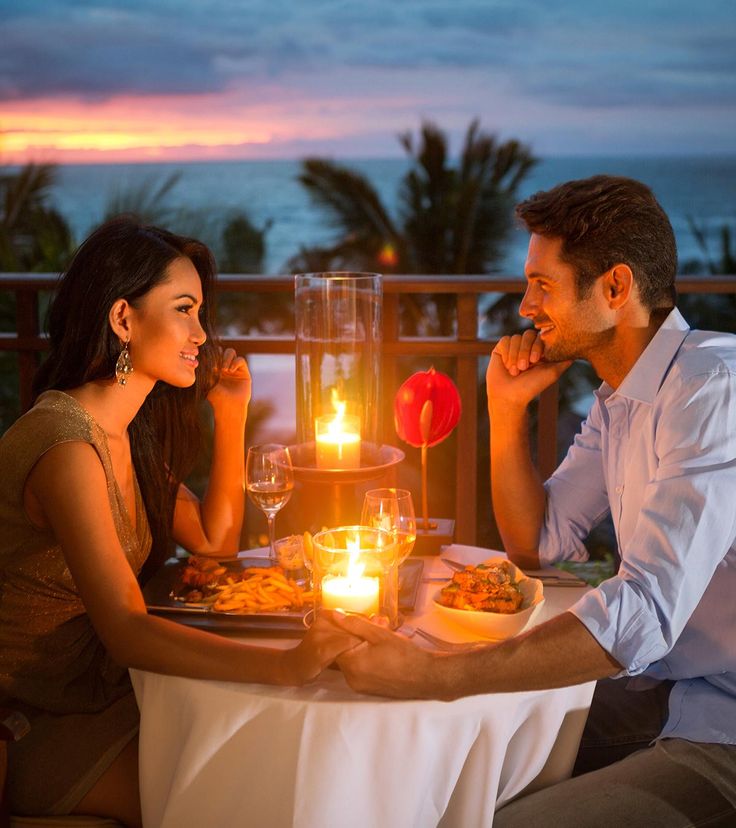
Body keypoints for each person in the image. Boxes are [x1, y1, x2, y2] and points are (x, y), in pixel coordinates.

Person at [335, 176, 736, 825]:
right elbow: (538, 542)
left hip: (726, 727)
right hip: (664, 690)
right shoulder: (623, 400)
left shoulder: (709, 392)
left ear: (614, 288)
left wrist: (438, 672)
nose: (525, 306)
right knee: (441, 767)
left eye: (542, 286)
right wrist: (505, 406)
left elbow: (642, 612)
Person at [0, 217, 356, 826]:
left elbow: (216, 540)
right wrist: (284, 664)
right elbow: (128, 631)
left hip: (119, 695)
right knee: (260, 796)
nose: (202, 332)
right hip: (45, 724)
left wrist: (233, 412)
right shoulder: (66, 447)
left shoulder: (122, 430)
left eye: (201, 312)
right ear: (123, 320)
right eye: (185, 310)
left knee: (299, 751)